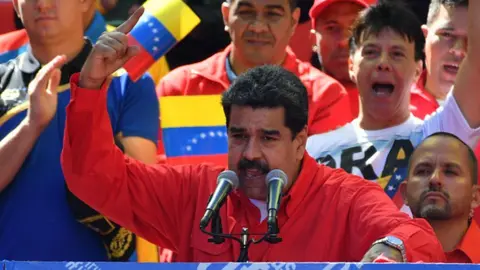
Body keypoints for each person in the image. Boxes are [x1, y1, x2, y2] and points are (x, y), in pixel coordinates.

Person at [58, 7, 446, 263]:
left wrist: (391, 250)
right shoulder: (196, 191)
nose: (250, 153)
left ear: (301, 141)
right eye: (238, 136)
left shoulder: (345, 197)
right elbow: (93, 178)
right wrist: (91, 86)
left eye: (270, 138)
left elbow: (415, 236)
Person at [0, 0, 159, 261]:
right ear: (16, 5)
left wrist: (89, 92)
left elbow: (142, 181)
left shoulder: (129, 81)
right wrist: (32, 124)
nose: (43, 4)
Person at [306, 1, 480, 212]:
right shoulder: (312, 151)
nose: (383, 63)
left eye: (397, 54)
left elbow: (476, 61)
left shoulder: (435, 136)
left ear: (417, 70)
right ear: (352, 65)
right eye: (371, 52)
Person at [156, 0, 353, 145]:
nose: (258, 27)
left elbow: (322, 180)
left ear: (293, 21)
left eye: (272, 14)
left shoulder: (325, 96)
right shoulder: (179, 86)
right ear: (226, 15)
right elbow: (160, 169)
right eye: (246, 12)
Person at [400, 132, 480, 263]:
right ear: (405, 193)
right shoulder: (382, 257)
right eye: (423, 171)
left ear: (475, 197)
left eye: (450, 172)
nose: (434, 179)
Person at [309, 0, 375, 116]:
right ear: (314, 39)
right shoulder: (295, 99)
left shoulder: (401, 98)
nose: (344, 41)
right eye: (331, 28)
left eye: (355, 28)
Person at [410, 0, 468, 119]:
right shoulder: (385, 105)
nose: (459, 49)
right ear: (425, 37)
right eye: (447, 34)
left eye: (473, 39)